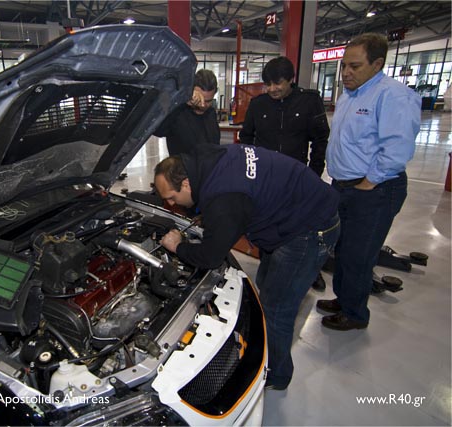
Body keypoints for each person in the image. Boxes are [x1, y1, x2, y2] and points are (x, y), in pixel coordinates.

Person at [154, 143, 340, 390]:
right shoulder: (205, 159)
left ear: (186, 184)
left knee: (276, 310)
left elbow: (210, 257)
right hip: (295, 209)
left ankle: (275, 375)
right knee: (264, 284)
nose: (171, 204)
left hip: (309, 229)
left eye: (171, 197)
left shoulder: (224, 199)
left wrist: (177, 246)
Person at [318, 33, 421, 331]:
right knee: (342, 249)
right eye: (343, 66)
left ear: (377, 64)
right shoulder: (350, 95)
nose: (346, 73)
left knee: (358, 255)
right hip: (344, 186)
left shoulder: (393, 96)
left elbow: (397, 148)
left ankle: (354, 314)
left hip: (374, 190)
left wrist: (369, 182)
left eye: (355, 66)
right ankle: (344, 299)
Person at [240, 56, 330, 291]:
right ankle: (268, 266)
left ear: (291, 79)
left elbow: (320, 140)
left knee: (303, 226)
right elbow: (247, 137)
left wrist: (314, 174)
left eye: (277, 83)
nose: (272, 89)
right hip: (266, 180)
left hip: (298, 178)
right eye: (267, 84)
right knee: (267, 226)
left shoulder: (309, 101)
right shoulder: (258, 104)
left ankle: (310, 270)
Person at [155, 69, 220, 156]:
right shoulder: (179, 112)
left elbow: (215, 145)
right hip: (182, 164)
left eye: (208, 101)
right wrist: (184, 100)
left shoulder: (211, 113)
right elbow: (158, 131)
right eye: (201, 99)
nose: (203, 105)